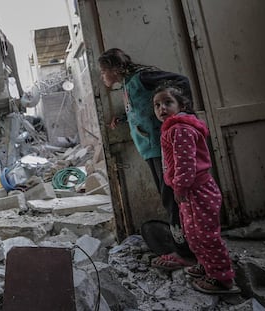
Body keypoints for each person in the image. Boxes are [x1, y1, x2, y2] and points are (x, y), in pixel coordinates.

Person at [98, 48, 195, 269]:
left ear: (115, 69)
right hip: (151, 148)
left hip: (162, 149)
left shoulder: (142, 77)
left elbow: (181, 80)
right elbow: (141, 108)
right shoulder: (128, 84)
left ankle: (185, 252)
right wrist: (122, 118)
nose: (102, 77)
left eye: (103, 71)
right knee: (168, 197)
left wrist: (185, 113)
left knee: (172, 199)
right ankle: (185, 245)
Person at [152, 83, 240, 294]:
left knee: (205, 235)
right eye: (157, 105)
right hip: (189, 191)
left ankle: (222, 278)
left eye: (167, 103)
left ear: (181, 105)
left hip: (196, 190)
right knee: (192, 233)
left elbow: (185, 163)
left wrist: (180, 187)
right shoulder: (172, 128)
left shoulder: (180, 129)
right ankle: (206, 264)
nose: (161, 108)